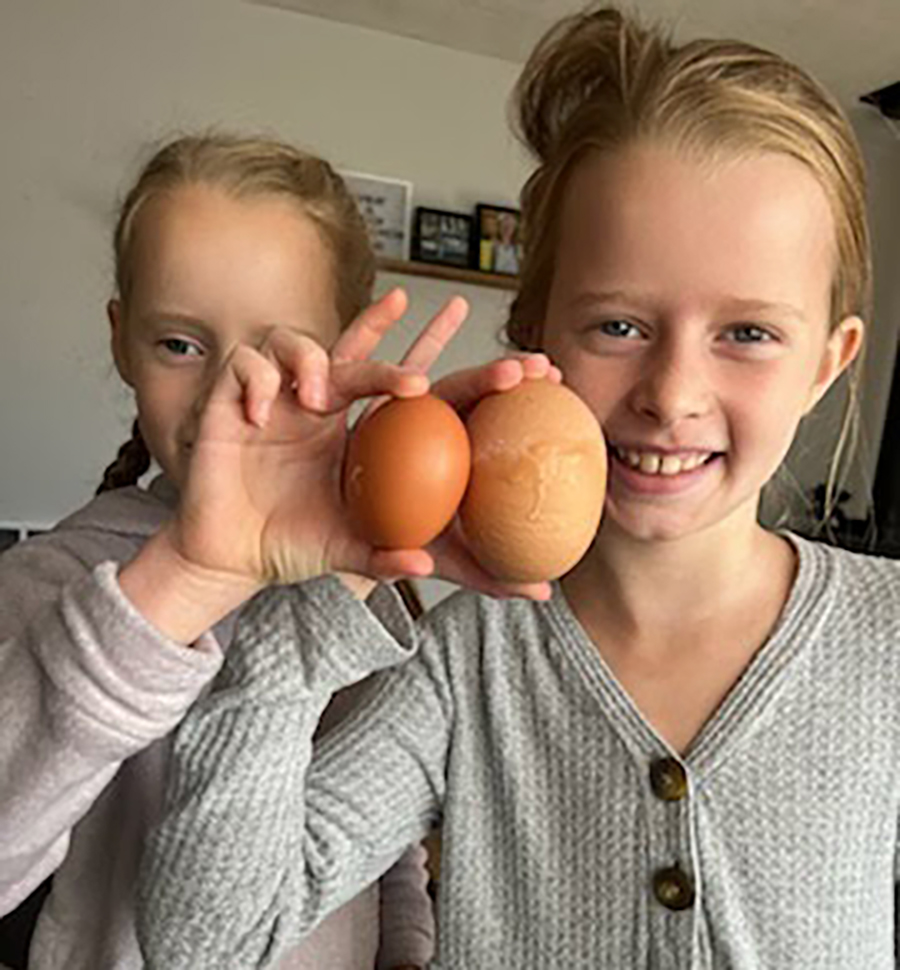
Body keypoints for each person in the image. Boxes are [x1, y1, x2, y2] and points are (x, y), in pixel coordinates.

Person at [132, 5, 889, 968]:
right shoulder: (468, 665)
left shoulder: (885, 641)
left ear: (827, 362)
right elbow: (207, 942)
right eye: (619, 326)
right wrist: (299, 615)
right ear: (535, 335)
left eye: (748, 334)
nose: (672, 395)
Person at [0, 132, 531, 970]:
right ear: (120, 339)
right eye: (180, 344)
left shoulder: (350, 580)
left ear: (348, 351)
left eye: (279, 353)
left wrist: (407, 948)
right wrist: (184, 579)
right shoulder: (59, 584)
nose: (228, 392)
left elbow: (374, 837)